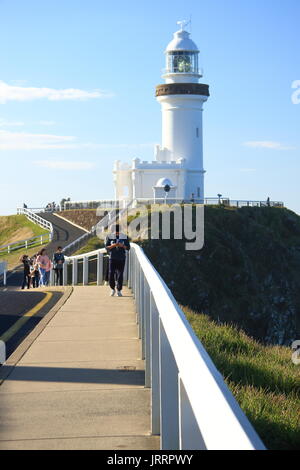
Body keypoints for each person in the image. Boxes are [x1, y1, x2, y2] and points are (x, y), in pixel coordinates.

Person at [105, 224, 130, 297]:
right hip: (112, 258)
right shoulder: (110, 237)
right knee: (111, 273)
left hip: (121, 258)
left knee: (120, 274)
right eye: (115, 232)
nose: (117, 233)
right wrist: (113, 245)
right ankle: (112, 289)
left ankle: (119, 290)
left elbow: (128, 248)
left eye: (118, 232)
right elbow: (106, 247)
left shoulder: (125, 237)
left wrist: (122, 246)